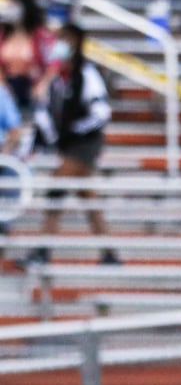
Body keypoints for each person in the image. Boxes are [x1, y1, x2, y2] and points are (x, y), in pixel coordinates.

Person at [31, 24, 114, 266]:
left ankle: (42, 251)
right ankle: (109, 254)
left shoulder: (86, 74)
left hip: (85, 144)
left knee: (56, 188)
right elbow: (45, 109)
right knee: (88, 197)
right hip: (68, 144)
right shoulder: (57, 77)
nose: (58, 44)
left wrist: (75, 129)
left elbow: (101, 112)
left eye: (63, 40)